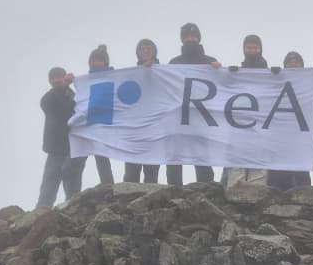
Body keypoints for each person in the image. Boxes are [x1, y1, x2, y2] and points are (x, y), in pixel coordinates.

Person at [167, 23, 220, 185]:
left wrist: (219, 69)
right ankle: (173, 187)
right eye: (187, 36)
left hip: (201, 115)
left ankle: (206, 186)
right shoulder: (174, 62)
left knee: (202, 152)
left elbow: (222, 85)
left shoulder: (210, 62)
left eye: (194, 36)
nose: (191, 39)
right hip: (179, 114)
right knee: (175, 153)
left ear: (199, 38)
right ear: (182, 39)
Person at [66, 45, 115, 191]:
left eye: (99, 60)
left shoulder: (114, 78)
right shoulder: (85, 82)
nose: (95, 63)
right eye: (93, 60)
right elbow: (80, 101)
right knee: (76, 162)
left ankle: (109, 189)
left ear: (105, 62)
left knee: (102, 160)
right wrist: (68, 84)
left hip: (102, 125)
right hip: (86, 126)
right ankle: (73, 196)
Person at [223, 35, 270, 187]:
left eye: (255, 47)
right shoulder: (236, 73)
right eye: (249, 47)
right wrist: (223, 73)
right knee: (237, 160)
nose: (252, 50)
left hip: (261, 125)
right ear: (244, 49)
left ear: (261, 49)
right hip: (238, 125)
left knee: (259, 162)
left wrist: (279, 76)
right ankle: (234, 194)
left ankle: (257, 195)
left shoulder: (270, 74)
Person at [267, 50, 313, 190]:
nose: (293, 63)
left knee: (301, 174)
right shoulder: (276, 81)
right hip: (279, 134)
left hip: (300, 135)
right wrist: (270, 76)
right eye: (289, 61)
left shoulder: (311, 82)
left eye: (297, 61)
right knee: (277, 177)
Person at [122, 38, 161, 183]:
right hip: (135, 129)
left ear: (154, 52)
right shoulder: (131, 74)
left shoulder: (166, 74)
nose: (146, 51)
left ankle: (149, 202)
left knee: (151, 171)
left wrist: (154, 70)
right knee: (131, 170)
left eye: (149, 49)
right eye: (142, 49)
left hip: (155, 128)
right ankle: (127, 201)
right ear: (138, 53)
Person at [36, 66, 76, 209]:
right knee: (48, 185)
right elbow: (48, 104)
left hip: (72, 148)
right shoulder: (48, 98)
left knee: (71, 182)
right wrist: (64, 86)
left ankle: (72, 208)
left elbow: (74, 110)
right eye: (53, 78)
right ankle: (41, 212)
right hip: (54, 149)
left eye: (59, 76)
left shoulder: (72, 96)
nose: (57, 80)